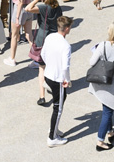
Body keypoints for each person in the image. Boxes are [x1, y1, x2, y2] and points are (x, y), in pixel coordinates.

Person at [88, 22, 114, 151]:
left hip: (101, 83)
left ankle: (110, 132)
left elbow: (91, 62)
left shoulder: (103, 45)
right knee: (107, 112)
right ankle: (100, 141)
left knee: (107, 109)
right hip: (113, 86)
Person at [41, 16, 74, 147]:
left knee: (61, 99)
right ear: (66, 29)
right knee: (58, 108)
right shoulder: (66, 46)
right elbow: (66, 67)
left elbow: (43, 54)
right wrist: (67, 80)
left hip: (48, 75)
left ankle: (54, 128)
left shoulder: (50, 37)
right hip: (58, 79)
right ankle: (52, 137)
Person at [27, 0, 62, 106]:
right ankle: (53, 87)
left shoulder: (42, 7)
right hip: (55, 39)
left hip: (43, 39)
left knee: (42, 68)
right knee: (52, 65)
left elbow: (28, 9)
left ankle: (42, 96)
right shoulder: (58, 7)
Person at [5, 0, 33, 66]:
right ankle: (36, 58)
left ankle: (12, 58)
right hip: (29, 9)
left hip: (20, 10)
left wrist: (17, 18)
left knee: (14, 35)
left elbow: (20, 2)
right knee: (29, 35)